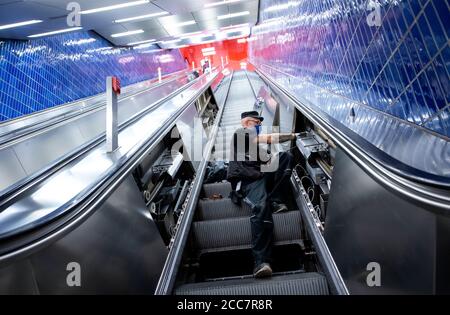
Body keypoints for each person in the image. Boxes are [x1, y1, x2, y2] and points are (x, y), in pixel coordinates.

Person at [227, 111, 297, 278]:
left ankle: (275, 200)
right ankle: (261, 262)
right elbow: (268, 138)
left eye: (259, 123)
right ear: (245, 123)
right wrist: (293, 135)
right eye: (255, 122)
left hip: (261, 175)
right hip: (248, 181)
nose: (258, 125)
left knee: (285, 157)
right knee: (260, 207)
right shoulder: (240, 134)